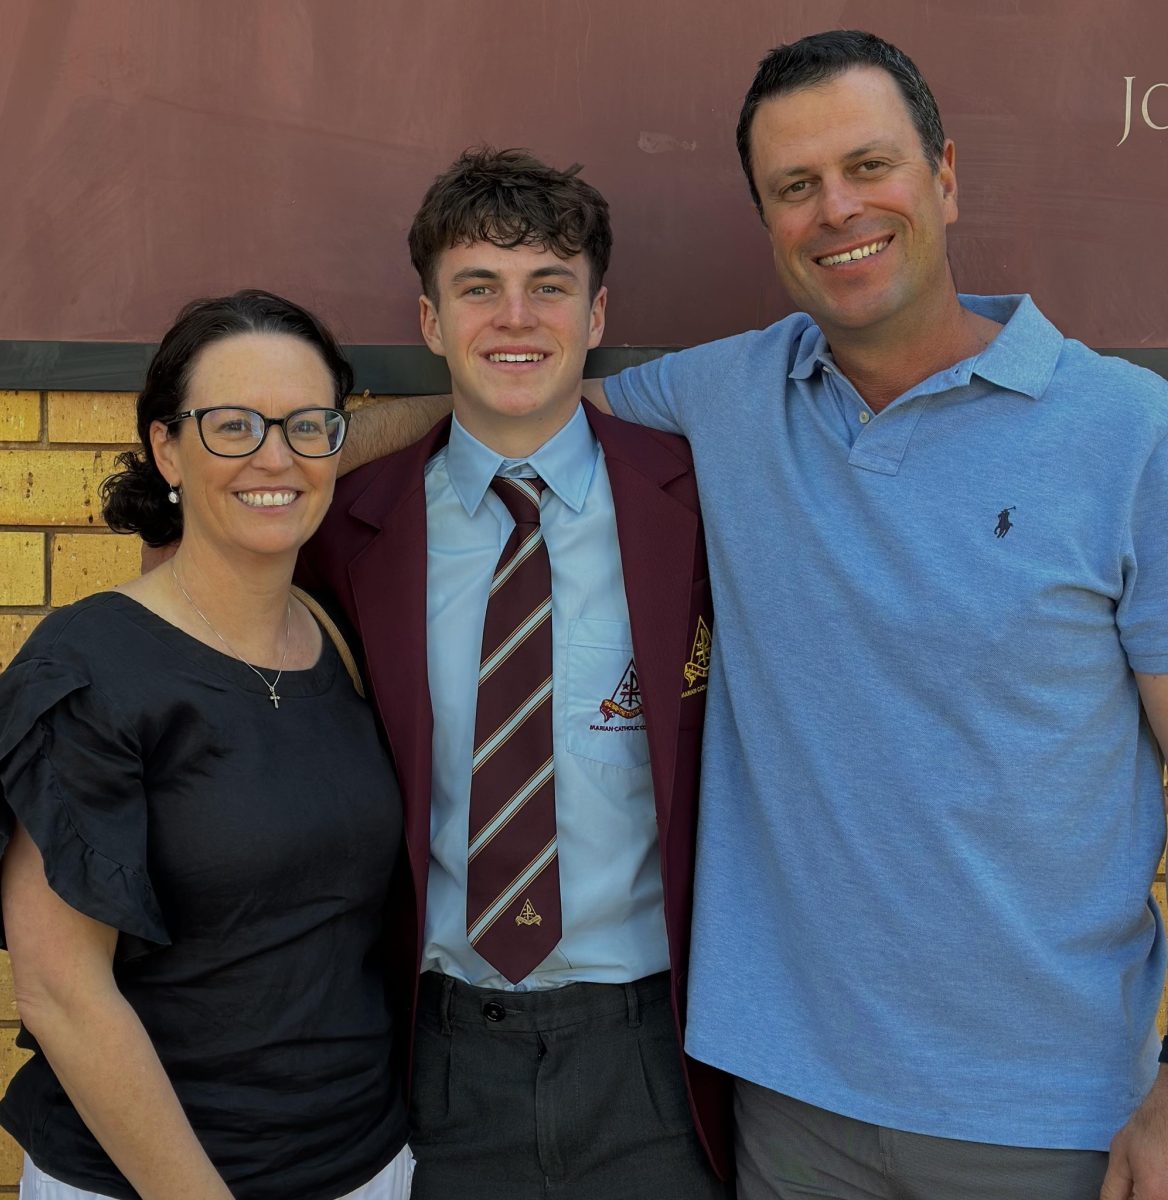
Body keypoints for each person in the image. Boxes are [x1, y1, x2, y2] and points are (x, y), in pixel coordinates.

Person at [333, 31, 1168, 1200]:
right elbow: (519, 406)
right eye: (796, 187)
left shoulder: (1133, 433)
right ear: (769, 219)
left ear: (945, 175)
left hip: (1042, 1116)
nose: (838, 209)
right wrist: (279, 453)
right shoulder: (728, 397)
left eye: (868, 167)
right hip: (781, 1104)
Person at [299, 148, 732, 1199]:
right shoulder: (352, 535)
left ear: (594, 316)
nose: (515, 320)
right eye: (478, 289)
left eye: (549, 287)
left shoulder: (701, 504)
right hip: (437, 1058)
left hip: (651, 1054)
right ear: (430, 322)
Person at [0, 291, 411, 1200]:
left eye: (307, 425)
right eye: (233, 425)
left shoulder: (337, 636)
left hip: (362, 1164)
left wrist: (480, 396)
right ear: (166, 447)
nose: (275, 456)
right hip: (152, 1181)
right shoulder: (91, 669)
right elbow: (63, 994)